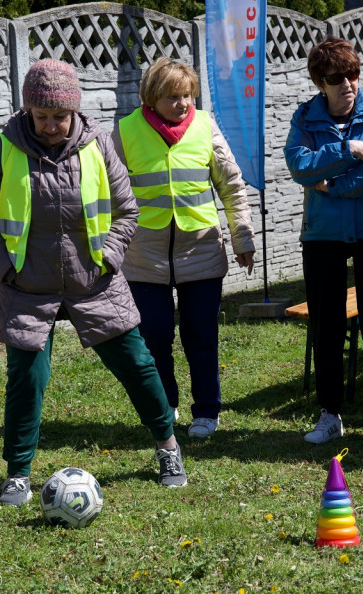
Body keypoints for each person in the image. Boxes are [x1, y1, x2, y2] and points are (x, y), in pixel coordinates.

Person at [0, 59, 187, 505]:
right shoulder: (2, 149)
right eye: (41, 116)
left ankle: (168, 447)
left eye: (59, 117)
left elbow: (127, 210)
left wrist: (109, 257)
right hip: (26, 287)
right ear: (28, 110)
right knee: (26, 377)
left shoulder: (99, 145)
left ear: (74, 111)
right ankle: (18, 474)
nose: (50, 126)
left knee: (138, 365)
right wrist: (6, 269)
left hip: (95, 282)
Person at [113, 57, 256, 439]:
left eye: (187, 96)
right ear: (151, 97)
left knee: (201, 338)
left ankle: (207, 412)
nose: (182, 104)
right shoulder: (124, 131)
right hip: (144, 257)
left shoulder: (206, 125)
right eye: (173, 97)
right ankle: (166, 407)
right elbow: (106, 192)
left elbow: (232, 186)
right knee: (154, 338)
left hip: (202, 253)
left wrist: (242, 238)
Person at [284, 36, 363, 444]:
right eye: (337, 77)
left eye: (353, 74)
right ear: (320, 82)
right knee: (327, 325)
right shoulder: (305, 118)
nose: (348, 84)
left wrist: (333, 186)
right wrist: (349, 148)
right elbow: (299, 166)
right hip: (323, 235)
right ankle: (330, 413)